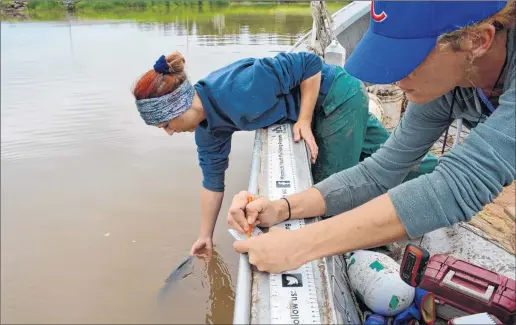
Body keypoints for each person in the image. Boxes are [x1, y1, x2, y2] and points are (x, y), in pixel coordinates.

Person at [226, 0, 515, 273]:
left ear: (477, 41)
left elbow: (457, 184)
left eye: (409, 60)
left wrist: (300, 245)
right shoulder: (448, 83)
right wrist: (283, 207)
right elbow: (380, 172)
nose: (396, 79)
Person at [131, 50, 437, 255]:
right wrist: (205, 236)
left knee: (334, 196)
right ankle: (445, 175)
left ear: (181, 105)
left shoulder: (236, 88)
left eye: (167, 124)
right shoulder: (208, 129)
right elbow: (212, 181)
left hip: (335, 99)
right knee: (397, 160)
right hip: (332, 100)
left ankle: (376, 245)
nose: (170, 132)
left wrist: (304, 120)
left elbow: (309, 64)